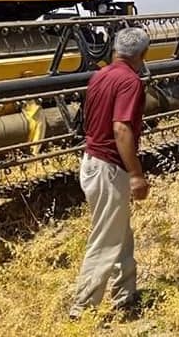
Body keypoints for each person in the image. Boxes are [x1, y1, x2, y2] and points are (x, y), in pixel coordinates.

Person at [70, 27, 151, 320]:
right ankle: (82, 310)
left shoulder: (99, 76)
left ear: (115, 50)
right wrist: (135, 174)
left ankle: (125, 295)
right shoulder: (130, 82)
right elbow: (120, 128)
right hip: (109, 167)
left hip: (91, 162)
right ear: (142, 55)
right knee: (105, 239)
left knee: (120, 233)